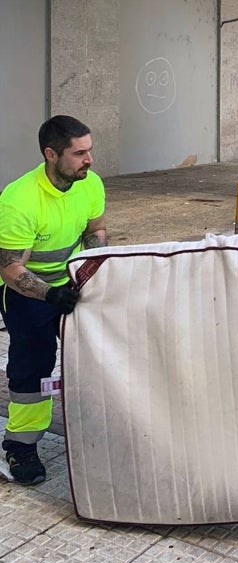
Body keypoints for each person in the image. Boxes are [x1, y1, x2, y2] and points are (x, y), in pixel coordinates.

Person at [0, 115, 107, 485]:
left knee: (98, 354)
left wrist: (97, 268)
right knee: (34, 362)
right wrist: (50, 294)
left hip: (73, 282)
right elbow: (11, 269)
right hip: (27, 292)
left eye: (89, 150)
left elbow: (96, 229)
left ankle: (98, 429)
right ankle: (21, 446)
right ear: (51, 154)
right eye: (79, 153)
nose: (89, 160)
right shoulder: (18, 199)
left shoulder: (89, 183)